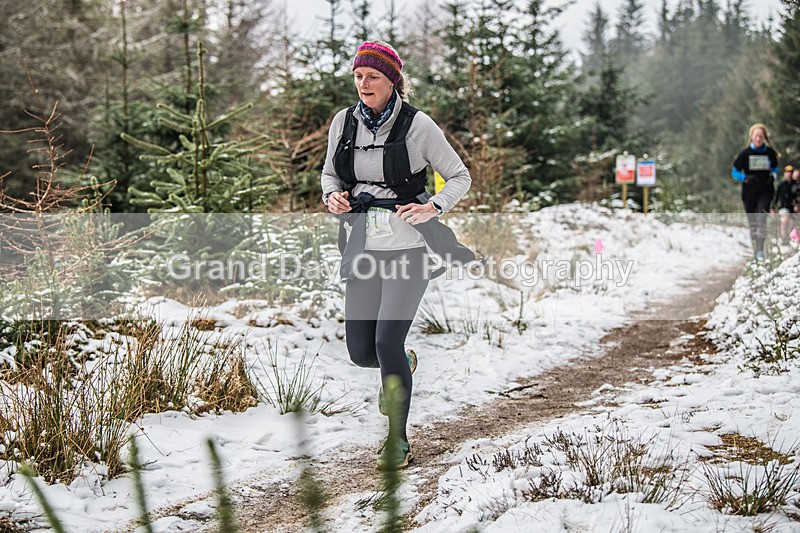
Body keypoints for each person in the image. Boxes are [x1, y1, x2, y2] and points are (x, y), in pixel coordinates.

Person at [321, 41, 473, 469]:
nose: (363, 84)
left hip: (410, 247)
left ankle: (397, 439)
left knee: (387, 339)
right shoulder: (343, 122)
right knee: (362, 352)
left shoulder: (418, 126)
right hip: (363, 246)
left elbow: (459, 176)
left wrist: (433, 206)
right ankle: (401, 363)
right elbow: (331, 172)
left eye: (373, 77)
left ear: (392, 81)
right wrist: (332, 195)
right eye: (358, 76)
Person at [731, 123, 779, 261]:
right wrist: (744, 177)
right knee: (752, 221)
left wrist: (773, 176)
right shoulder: (745, 154)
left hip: (765, 190)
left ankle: (760, 250)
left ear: (764, 137)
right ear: (751, 137)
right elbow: (734, 172)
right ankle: (754, 250)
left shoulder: (769, 153)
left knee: (761, 218)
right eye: (756, 136)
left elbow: (775, 168)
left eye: (761, 136)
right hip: (749, 192)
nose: (758, 138)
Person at [774, 165, 799, 241]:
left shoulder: (796, 185)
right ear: (785, 173)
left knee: (793, 222)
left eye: (790, 172)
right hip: (784, 207)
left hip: (794, 209)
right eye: (787, 172)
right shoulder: (781, 185)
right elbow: (775, 197)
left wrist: (797, 205)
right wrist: (772, 208)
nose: (789, 174)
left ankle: (793, 238)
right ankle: (783, 239)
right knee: (784, 220)